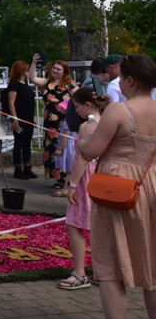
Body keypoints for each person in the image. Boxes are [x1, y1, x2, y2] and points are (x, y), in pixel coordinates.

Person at [76, 54, 156, 319]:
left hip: (118, 189)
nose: (118, 81)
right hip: (151, 186)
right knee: (153, 266)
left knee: (110, 265)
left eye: (121, 77)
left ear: (131, 80)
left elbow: (92, 150)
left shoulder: (120, 110)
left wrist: (81, 142)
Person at [58, 87, 100, 292]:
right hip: (102, 177)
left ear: (88, 105)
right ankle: (104, 271)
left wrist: (71, 186)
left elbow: (84, 159)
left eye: (76, 107)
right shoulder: (108, 123)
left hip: (85, 179)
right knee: (101, 226)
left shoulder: (87, 126)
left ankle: (79, 272)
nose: (76, 111)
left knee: (74, 223)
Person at [29, 54, 77, 191]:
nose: (55, 71)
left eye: (59, 69)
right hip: (49, 122)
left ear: (64, 72)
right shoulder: (47, 83)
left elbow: (78, 99)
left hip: (64, 122)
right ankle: (57, 178)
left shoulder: (70, 84)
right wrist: (33, 63)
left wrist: (66, 106)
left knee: (64, 149)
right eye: (54, 68)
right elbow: (32, 78)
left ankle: (65, 178)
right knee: (51, 149)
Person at [3, 61, 37, 180]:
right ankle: (18, 168)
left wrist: (32, 118)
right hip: (20, 117)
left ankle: (27, 166)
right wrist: (15, 118)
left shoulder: (25, 84)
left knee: (27, 142)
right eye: (27, 69)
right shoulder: (14, 84)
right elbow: (11, 102)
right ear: (22, 71)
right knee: (19, 143)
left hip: (28, 118)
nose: (28, 71)